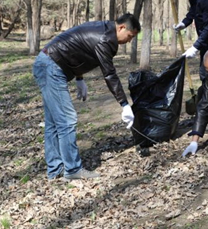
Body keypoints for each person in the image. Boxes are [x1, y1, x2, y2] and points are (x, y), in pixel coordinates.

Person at [33, 13, 141, 180]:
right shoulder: (105, 39)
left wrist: (79, 78)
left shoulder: (103, 28)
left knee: (54, 123)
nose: (129, 40)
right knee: (67, 119)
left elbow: (78, 49)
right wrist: (124, 104)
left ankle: (55, 170)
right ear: (121, 27)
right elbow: (110, 74)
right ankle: (73, 169)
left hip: (48, 62)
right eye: (130, 36)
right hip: (51, 67)